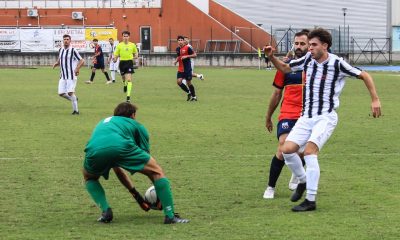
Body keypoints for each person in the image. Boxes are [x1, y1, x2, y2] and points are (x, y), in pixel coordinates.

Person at [264, 28, 381, 211]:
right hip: (306, 116)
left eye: (313, 44)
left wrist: (375, 99)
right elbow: (286, 68)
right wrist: (271, 57)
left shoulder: (337, 64)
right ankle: (302, 181)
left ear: (325, 46)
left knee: (310, 152)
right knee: (287, 150)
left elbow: (364, 75)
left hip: (325, 117)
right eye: (308, 44)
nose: (309, 48)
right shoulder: (308, 59)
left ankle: (310, 200)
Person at [83, 102, 189, 224]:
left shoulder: (104, 122)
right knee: (157, 172)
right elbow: (147, 163)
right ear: (133, 115)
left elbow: (117, 168)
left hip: (94, 149)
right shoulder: (137, 125)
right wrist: (160, 193)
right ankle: (170, 215)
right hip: (122, 146)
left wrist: (137, 196)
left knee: (89, 177)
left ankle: (106, 211)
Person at [263, 30, 310, 199]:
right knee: (284, 146)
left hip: (308, 115)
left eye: (302, 44)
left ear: (310, 45)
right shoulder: (285, 66)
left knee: (303, 151)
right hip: (288, 113)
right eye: (296, 43)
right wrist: (268, 116)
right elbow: (276, 94)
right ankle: (270, 187)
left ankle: (297, 175)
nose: (298, 47)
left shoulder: (315, 65)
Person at [52, 34, 84, 115]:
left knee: (70, 92)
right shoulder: (61, 50)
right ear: (63, 41)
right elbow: (60, 59)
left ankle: (76, 111)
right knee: (61, 93)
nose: (66, 41)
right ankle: (74, 99)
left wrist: (77, 69)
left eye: (67, 39)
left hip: (71, 76)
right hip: (63, 76)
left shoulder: (73, 50)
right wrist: (57, 63)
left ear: (70, 41)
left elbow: (82, 61)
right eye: (64, 39)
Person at [113, 31, 138, 102]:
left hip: (129, 62)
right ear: (122, 37)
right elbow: (116, 54)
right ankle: (124, 84)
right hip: (122, 63)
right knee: (123, 77)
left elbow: (136, 53)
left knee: (129, 79)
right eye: (124, 36)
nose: (125, 37)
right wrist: (115, 59)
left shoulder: (132, 45)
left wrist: (135, 56)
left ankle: (128, 97)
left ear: (129, 37)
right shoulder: (119, 45)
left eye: (127, 36)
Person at [174, 35, 197, 101]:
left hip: (187, 69)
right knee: (179, 82)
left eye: (181, 40)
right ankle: (188, 92)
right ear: (177, 41)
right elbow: (179, 56)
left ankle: (194, 97)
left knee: (189, 83)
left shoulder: (187, 48)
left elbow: (195, 55)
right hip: (180, 69)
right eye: (179, 40)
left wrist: (187, 56)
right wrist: (176, 61)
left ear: (184, 41)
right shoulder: (177, 49)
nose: (180, 41)